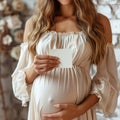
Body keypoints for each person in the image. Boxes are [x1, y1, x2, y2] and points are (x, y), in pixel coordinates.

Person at [11, 0, 119, 120]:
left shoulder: (99, 22)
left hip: (80, 113)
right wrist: (33, 70)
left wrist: (79, 110)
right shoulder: (35, 23)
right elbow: (19, 80)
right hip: (41, 113)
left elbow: (106, 78)